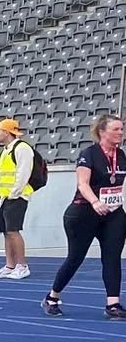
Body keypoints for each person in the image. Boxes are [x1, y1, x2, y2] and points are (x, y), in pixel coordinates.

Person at [43, 113, 126, 319]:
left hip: (113, 214)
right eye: (116, 129)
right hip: (84, 213)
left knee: (112, 257)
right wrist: (95, 202)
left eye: (122, 129)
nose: (121, 133)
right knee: (76, 257)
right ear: (102, 132)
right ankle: (52, 297)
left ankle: (113, 304)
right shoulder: (89, 154)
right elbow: (83, 183)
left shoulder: (121, 155)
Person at [0, 119, 36, 281]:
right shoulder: (5, 151)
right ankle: (9, 265)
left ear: (7, 132)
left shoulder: (22, 148)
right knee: (6, 231)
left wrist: (14, 193)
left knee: (13, 230)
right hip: (4, 197)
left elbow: (23, 173)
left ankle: (22, 266)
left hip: (16, 196)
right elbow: (1, 176)